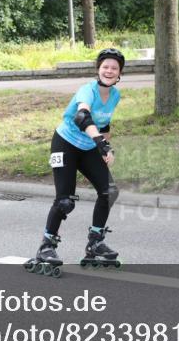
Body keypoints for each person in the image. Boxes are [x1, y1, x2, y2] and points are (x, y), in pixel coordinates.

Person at [29, 48, 125, 271]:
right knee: (65, 201)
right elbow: (83, 116)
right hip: (64, 144)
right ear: (98, 69)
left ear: (120, 73)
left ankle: (95, 242)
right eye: (105, 67)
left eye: (114, 68)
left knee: (109, 191)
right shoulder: (87, 90)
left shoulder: (115, 95)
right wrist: (101, 143)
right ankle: (46, 245)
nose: (109, 71)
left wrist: (104, 146)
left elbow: (104, 124)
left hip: (89, 146)